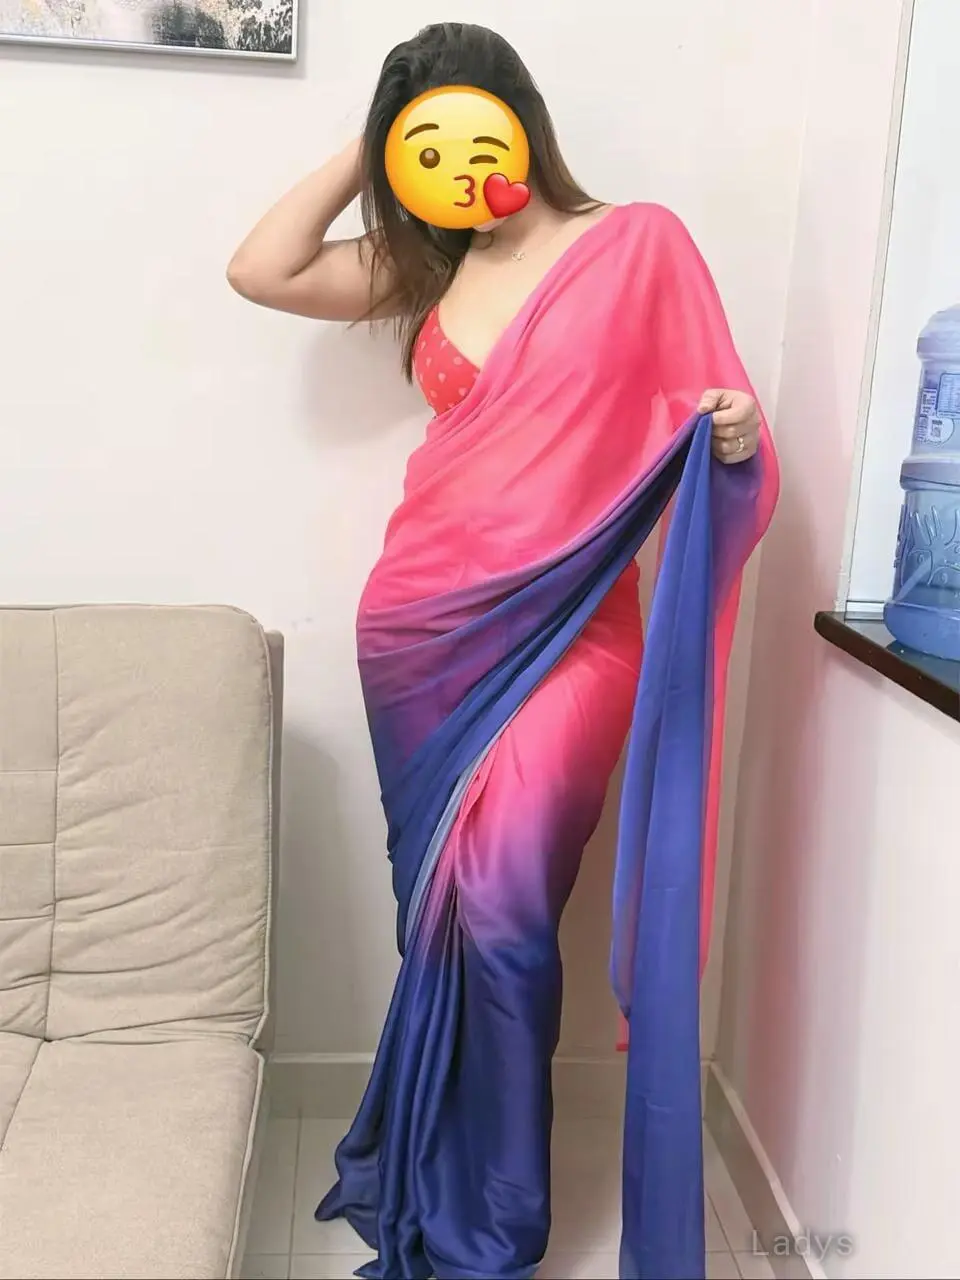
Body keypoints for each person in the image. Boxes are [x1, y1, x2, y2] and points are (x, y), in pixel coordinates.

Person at [229, 22, 778, 1280]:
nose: (454, 162)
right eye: (421, 145)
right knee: (449, 913)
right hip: (419, 632)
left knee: (511, 905)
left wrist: (736, 431)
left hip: (576, 625)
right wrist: (371, 147)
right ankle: (447, 1167)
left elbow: (714, 408)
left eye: (471, 128)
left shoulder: (635, 243)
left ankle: (495, 1218)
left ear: (522, 120)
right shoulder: (424, 265)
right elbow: (261, 269)